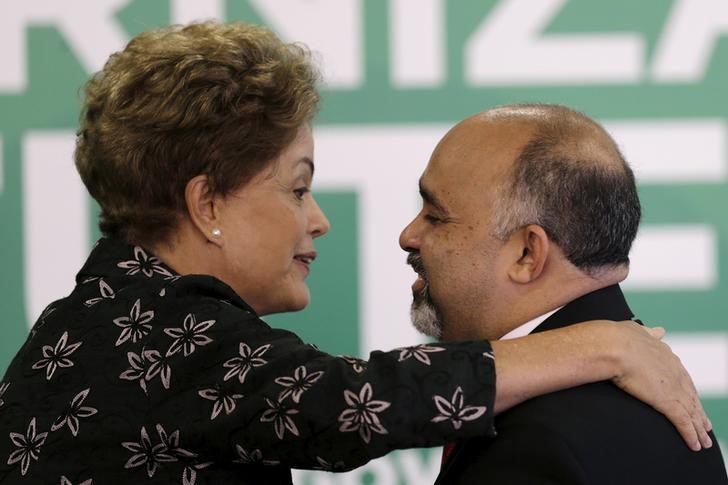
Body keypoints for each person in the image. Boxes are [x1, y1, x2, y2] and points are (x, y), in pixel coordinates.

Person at [0, 22, 712, 485]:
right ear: (207, 204)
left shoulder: (97, 318)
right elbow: (354, 403)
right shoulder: (152, 328)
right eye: (298, 187)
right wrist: (602, 346)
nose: (318, 219)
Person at [397, 103, 728, 484]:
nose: (408, 236)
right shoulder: (665, 405)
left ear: (526, 253)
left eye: (436, 217)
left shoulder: (532, 442)